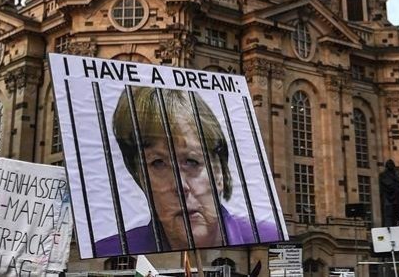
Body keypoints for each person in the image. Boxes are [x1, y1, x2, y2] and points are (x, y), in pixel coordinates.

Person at [93, 87, 280, 254]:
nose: (180, 186)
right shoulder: (109, 250)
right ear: (139, 176)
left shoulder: (269, 237)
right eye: (158, 163)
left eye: (191, 161)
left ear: (219, 172)